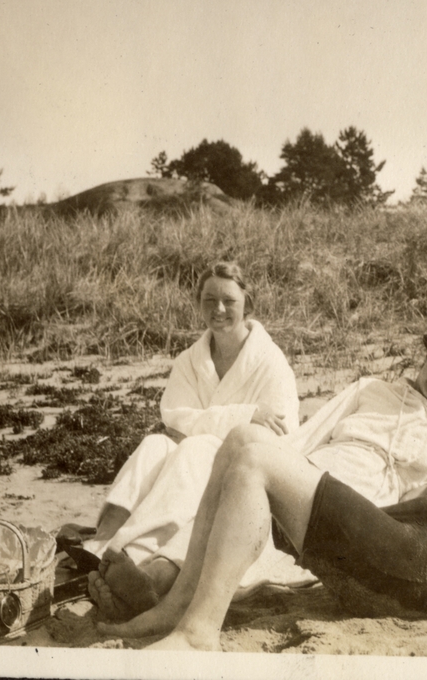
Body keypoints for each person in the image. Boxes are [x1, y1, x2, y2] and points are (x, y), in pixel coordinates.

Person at [86, 326, 427, 620]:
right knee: (196, 450)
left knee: (259, 517)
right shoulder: (372, 389)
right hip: (311, 465)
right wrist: (258, 460)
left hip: (371, 501)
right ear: (425, 356)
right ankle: (128, 555)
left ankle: (155, 582)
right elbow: (309, 436)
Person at [97, 434, 427, 649]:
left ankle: (196, 631)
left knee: (253, 448)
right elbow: (399, 521)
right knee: (237, 448)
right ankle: (178, 608)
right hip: (399, 553)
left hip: (415, 571)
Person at [73, 261, 300, 618]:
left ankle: (133, 554)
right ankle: (102, 543)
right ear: (198, 303)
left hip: (244, 475)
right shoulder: (189, 361)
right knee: (155, 445)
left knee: (194, 447)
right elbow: (174, 420)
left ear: (248, 304)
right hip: (193, 456)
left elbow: (276, 441)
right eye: (209, 300)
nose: (219, 310)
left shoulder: (271, 364)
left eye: (229, 300)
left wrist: (215, 427)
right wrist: (245, 415)